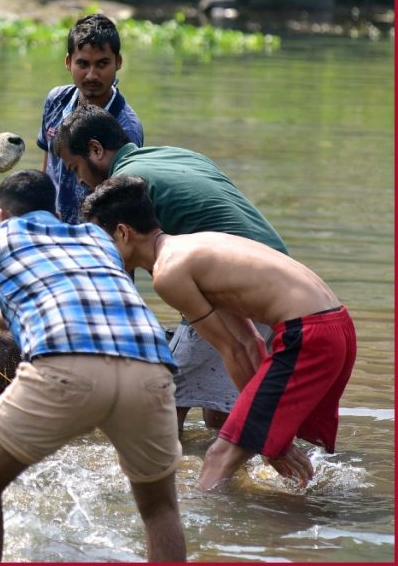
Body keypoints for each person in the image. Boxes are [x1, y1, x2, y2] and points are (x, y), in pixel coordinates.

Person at [0, 170, 185, 562]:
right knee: (160, 509)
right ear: (53, 210)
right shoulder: (96, 238)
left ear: (1, 214)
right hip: (150, 367)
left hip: (65, 367)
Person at [82, 175, 355, 490]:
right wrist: (264, 431)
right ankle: (300, 515)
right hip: (334, 327)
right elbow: (250, 342)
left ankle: (205, 530)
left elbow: (234, 350)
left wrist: (264, 431)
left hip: (310, 335)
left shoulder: (168, 273)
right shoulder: (192, 246)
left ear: (122, 233)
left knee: (218, 457)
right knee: (264, 446)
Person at [55, 102, 288, 434]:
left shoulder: (129, 185)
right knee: (218, 414)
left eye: (75, 168)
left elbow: (154, 269)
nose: (79, 180)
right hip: (276, 275)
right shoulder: (172, 154)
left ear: (95, 150)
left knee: (160, 398)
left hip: (238, 285)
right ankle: (241, 471)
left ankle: (174, 479)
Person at [37, 13, 143, 224]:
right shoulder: (56, 100)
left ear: (118, 62)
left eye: (102, 64)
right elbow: (48, 162)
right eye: (83, 64)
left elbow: (120, 201)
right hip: (53, 224)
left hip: (92, 234)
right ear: (68, 62)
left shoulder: (125, 127)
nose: (92, 75)